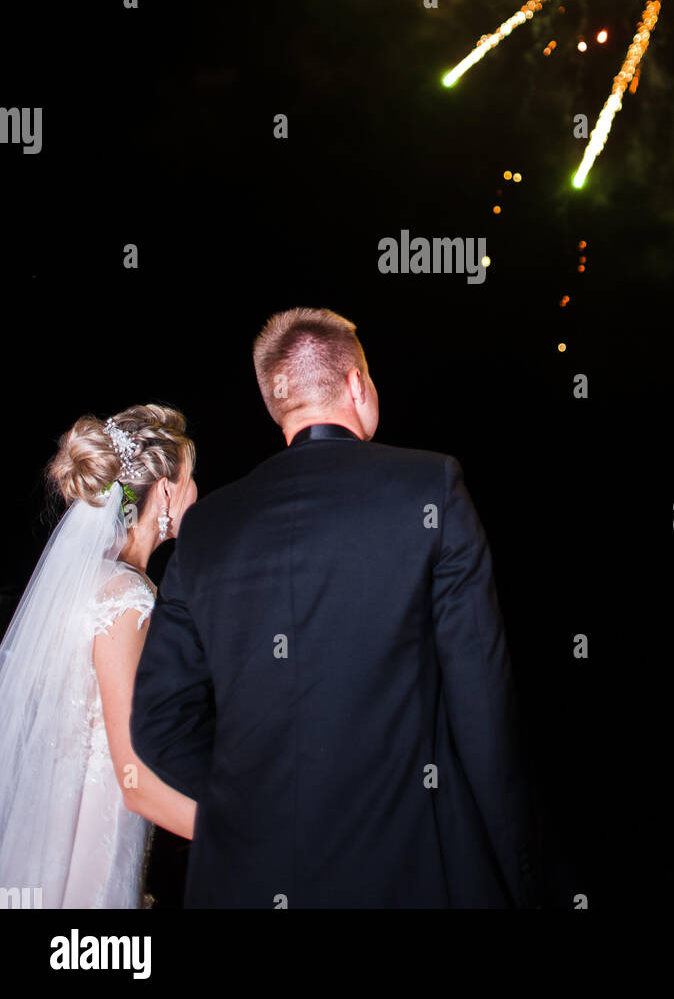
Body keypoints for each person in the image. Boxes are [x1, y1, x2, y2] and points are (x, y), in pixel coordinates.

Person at [131, 307, 540, 908]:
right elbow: (482, 705)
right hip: (409, 867)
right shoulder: (431, 487)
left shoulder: (210, 524)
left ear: (278, 404)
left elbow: (158, 722)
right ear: (356, 385)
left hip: (245, 880)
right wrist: (519, 871)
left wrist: (250, 802)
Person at [0, 405, 198, 908]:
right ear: (168, 491)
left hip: (51, 844)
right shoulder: (125, 598)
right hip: (92, 856)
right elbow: (134, 775)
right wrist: (246, 831)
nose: (198, 491)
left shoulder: (86, 587)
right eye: (192, 477)